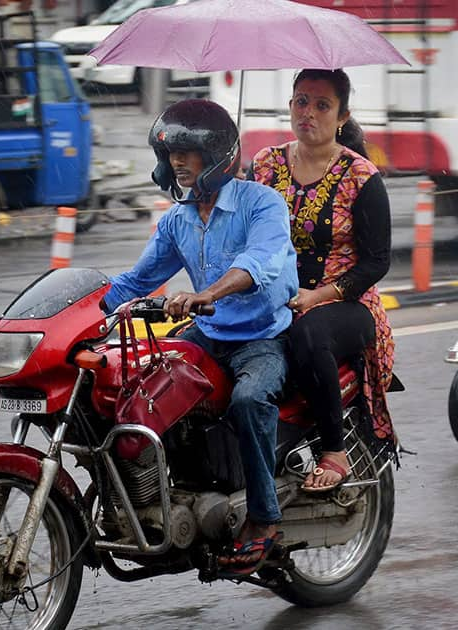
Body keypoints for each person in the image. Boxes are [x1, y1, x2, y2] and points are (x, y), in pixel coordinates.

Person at [99, 99, 298, 575]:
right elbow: (135, 281)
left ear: (216, 155)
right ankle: (166, 497)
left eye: (188, 153)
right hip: (206, 335)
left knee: (249, 400)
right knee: (139, 384)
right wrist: (83, 308)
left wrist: (206, 293)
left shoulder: (262, 204)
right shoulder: (178, 219)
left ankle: (264, 518)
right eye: (171, 155)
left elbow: (260, 264)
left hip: (261, 336)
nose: (178, 164)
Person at [249, 68, 396, 492]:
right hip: (272, 299)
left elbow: (376, 263)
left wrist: (316, 296)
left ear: (342, 116)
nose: (307, 113)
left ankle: (334, 451)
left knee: (308, 336)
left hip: (345, 304)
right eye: (300, 101)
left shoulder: (361, 176)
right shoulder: (264, 164)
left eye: (321, 105)